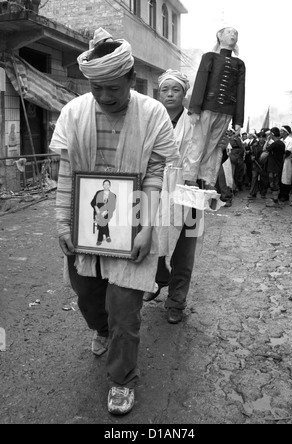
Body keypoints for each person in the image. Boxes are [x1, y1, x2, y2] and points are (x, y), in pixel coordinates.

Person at [49, 27, 179, 416]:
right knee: (88, 297)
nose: (105, 97)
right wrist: (62, 223)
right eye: (96, 89)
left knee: (125, 308)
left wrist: (147, 226)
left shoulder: (153, 113)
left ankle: (122, 379)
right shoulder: (73, 113)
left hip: (136, 221)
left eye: (113, 89)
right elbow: (67, 173)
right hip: (87, 224)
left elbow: (156, 172)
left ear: (130, 78)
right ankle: (101, 329)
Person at [143, 69, 203, 325]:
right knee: (150, 238)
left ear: (184, 93)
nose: (169, 94)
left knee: (184, 248)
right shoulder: (150, 119)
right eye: (165, 90)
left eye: (175, 89)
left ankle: (177, 300)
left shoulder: (195, 122)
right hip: (154, 187)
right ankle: (159, 277)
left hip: (188, 191)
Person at [186, 26, 246, 189]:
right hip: (207, 107)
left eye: (236, 33)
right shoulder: (209, 57)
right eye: (229, 32)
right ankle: (190, 176)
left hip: (227, 110)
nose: (233, 34)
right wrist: (195, 108)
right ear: (219, 35)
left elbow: (240, 90)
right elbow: (201, 80)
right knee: (198, 142)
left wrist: (238, 119)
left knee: (215, 147)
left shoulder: (240, 64)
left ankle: (208, 179)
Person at [264, 127, 286, 208]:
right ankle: (274, 199)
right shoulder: (282, 143)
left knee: (273, 183)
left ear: (272, 134)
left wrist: (267, 140)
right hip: (278, 165)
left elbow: (264, 149)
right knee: (275, 182)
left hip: (273, 166)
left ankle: (275, 201)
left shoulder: (275, 144)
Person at [91, 179, 116, 246]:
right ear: (102, 185)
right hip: (98, 212)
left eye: (107, 184)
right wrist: (97, 209)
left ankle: (99, 239)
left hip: (106, 213)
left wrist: (106, 212)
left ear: (110, 186)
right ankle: (107, 235)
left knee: (103, 219)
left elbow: (112, 207)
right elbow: (92, 203)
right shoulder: (98, 193)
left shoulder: (113, 195)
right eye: (104, 184)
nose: (106, 186)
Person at [248, 130, 269, 199]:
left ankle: (263, 193)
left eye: (263, 137)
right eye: (260, 137)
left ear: (265, 138)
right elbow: (251, 153)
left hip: (264, 165)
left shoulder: (268, 145)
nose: (261, 139)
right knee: (254, 178)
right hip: (255, 164)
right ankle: (252, 193)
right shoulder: (254, 145)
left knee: (264, 179)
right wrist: (252, 157)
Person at [279, 125, 292, 202]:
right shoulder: (281, 140)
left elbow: (288, 152)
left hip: (287, 161)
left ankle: (285, 195)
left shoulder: (291, 141)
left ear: (286, 132)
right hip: (280, 161)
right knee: (280, 178)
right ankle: (281, 193)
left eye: (281, 131)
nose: (280, 132)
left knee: (286, 178)